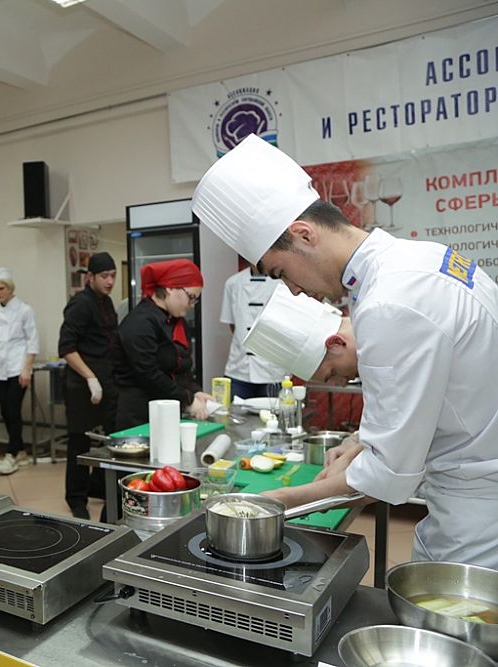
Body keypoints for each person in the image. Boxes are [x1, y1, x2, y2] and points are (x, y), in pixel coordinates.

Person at [192, 133, 498, 569]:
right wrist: (358, 443)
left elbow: (387, 477)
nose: (294, 290)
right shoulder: (412, 262)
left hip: (479, 523)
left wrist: (278, 500)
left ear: (303, 234)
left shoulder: (390, 301)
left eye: (282, 273)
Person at [112, 260, 213, 430]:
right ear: (169, 288)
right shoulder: (140, 322)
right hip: (139, 414)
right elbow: (149, 374)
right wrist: (187, 399)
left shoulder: (177, 321)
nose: (191, 305)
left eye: (195, 300)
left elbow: (183, 367)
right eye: (191, 297)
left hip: (167, 411)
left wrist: (195, 391)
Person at [58, 252, 117, 519]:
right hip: (81, 384)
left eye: (113, 276)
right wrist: (90, 377)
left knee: (106, 440)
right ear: (90, 277)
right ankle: (76, 498)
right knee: (79, 442)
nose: (110, 281)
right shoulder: (80, 304)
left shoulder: (107, 302)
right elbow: (66, 348)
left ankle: (97, 486)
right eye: (104, 276)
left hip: (106, 381)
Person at [0, 267, 40, 475]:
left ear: (10, 288)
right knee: (4, 411)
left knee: (12, 410)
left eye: (2, 289)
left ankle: (11, 454)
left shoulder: (25, 310)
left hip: (19, 367)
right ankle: (21, 451)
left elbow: (32, 341)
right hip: (0, 368)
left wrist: (27, 369)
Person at [219, 264, 287, 399]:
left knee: (272, 412)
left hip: (273, 371)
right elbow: (233, 325)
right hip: (239, 369)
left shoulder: (284, 285)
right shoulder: (233, 283)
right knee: (234, 411)